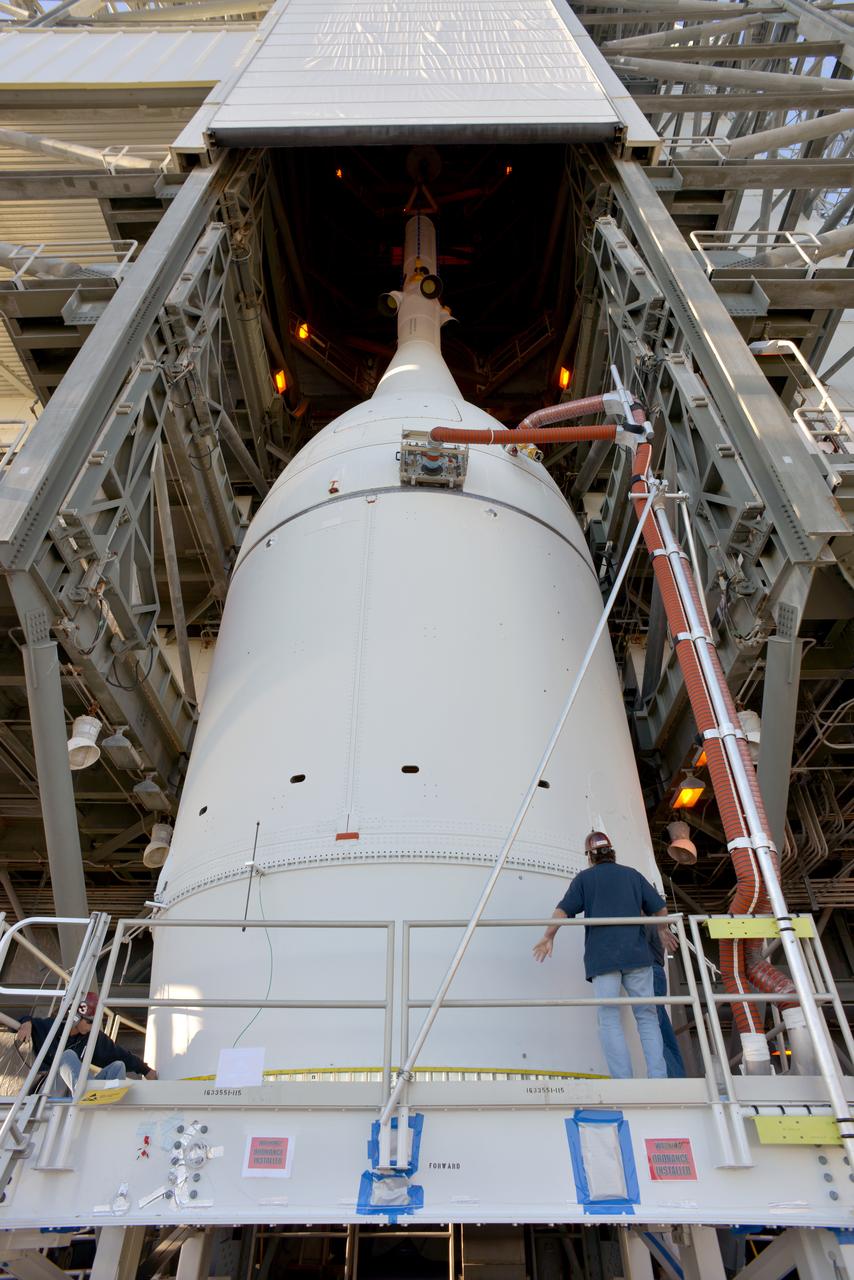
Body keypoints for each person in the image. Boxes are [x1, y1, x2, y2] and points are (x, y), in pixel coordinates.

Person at [533, 830, 676, 1080]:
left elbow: (562, 912)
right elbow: (660, 907)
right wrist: (663, 930)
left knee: (609, 1019)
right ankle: (658, 1078)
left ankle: (623, 1082)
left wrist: (549, 936)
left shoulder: (584, 879)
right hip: (637, 956)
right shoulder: (632, 875)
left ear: (590, 856)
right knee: (647, 1017)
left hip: (603, 959)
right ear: (612, 853)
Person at [15, 992, 158, 1094]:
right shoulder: (52, 1027)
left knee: (118, 1066)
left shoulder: (91, 1037)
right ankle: (88, 1092)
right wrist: (26, 1022)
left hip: (76, 1090)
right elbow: (16, 1022)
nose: (92, 1027)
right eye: (89, 1021)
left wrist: (145, 1070)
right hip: (49, 1088)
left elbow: (120, 1054)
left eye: (95, 1023)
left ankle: (108, 1099)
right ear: (76, 1017)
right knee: (68, 1055)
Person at [648, 926, 686, 1078]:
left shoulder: (641, 907)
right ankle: (677, 1077)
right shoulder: (652, 914)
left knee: (653, 1030)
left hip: (647, 970)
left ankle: (673, 1078)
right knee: (661, 1029)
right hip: (655, 969)